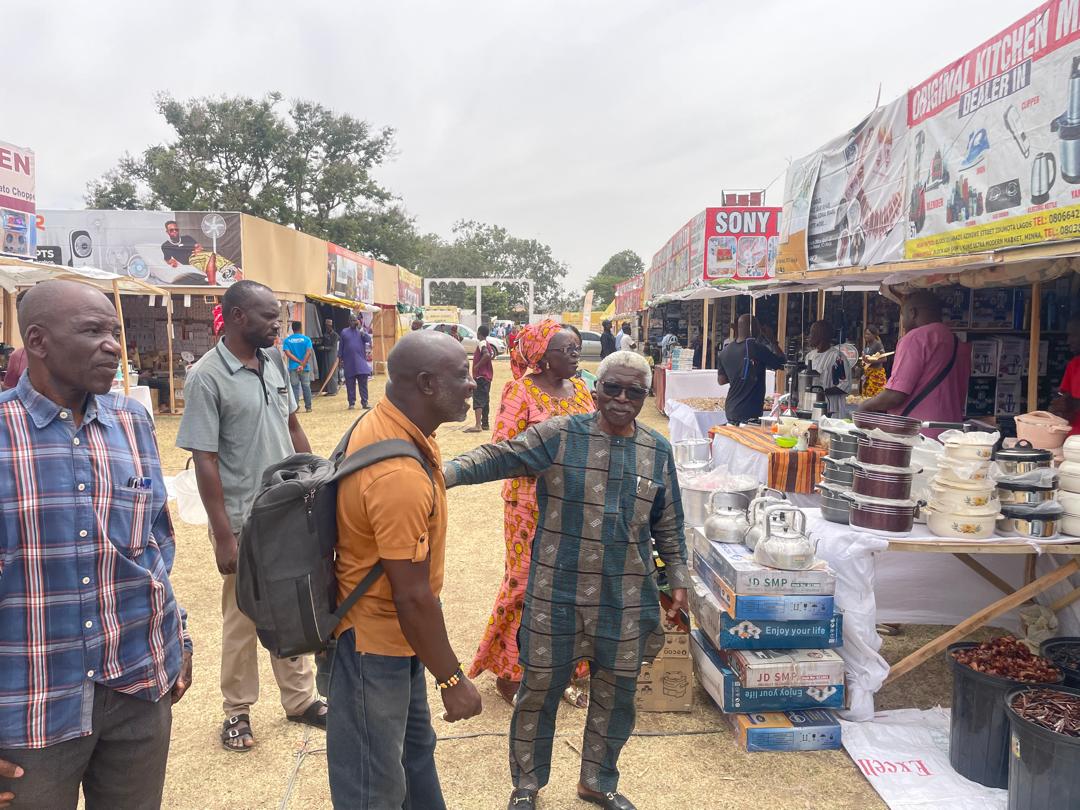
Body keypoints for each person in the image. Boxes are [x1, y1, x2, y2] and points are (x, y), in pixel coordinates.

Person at [444, 350, 690, 810]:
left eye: (633, 391)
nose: (621, 398)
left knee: (616, 696)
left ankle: (598, 782)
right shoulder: (559, 436)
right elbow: (499, 456)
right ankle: (526, 786)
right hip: (555, 594)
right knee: (538, 692)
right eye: (612, 388)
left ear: (645, 396)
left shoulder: (658, 451)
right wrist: (442, 474)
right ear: (595, 389)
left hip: (625, 597)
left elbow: (669, 524)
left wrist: (677, 580)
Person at [0, 280, 192, 808]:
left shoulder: (132, 423)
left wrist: (179, 640)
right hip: (31, 710)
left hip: (137, 688)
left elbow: (154, 546)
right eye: (92, 331)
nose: (114, 345)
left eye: (114, 331)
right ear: (37, 342)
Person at [329, 330, 483, 808]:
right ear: (426, 384)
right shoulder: (398, 476)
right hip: (373, 648)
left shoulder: (392, 427)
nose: (473, 383)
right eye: (462, 375)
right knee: (375, 786)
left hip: (399, 642)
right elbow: (411, 595)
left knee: (415, 756)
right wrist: (453, 679)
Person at [176, 280, 326, 754]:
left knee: (294, 602)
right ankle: (236, 711)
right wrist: (224, 535)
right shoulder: (206, 376)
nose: (276, 324)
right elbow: (205, 460)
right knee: (242, 616)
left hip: (289, 509)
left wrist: (317, 481)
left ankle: (301, 700)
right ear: (238, 317)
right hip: (245, 519)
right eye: (267, 316)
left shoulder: (276, 361)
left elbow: (293, 425)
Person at [471, 320, 595, 709]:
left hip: (575, 506)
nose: (575, 354)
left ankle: (562, 673)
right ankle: (511, 675)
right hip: (530, 508)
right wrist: (553, 464)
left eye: (576, 347)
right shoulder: (519, 392)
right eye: (566, 349)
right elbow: (503, 450)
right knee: (526, 587)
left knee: (570, 590)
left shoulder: (580, 390)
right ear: (541, 357)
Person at [859, 291, 972, 438]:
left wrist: (865, 407)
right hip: (952, 435)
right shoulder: (956, 342)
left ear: (912, 313)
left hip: (918, 436)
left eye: (902, 315)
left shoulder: (915, 338)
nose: (903, 321)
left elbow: (895, 395)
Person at [715, 314, 787, 425]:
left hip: (731, 408)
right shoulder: (755, 348)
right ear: (753, 328)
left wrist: (739, 375)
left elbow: (721, 380)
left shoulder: (725, 351)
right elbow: (782, 363)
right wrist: (773, 341)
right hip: (749, 411)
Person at [803, 320, 852, 418]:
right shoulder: (810, 356)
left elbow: (844, 386)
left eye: (812, 333)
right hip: (811, 406)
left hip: (832, 409)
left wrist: (822, 392)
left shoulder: (837, 357)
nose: (809, 336)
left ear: (821, 336)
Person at [1050, 315, 1080, 435]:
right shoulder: (1074, 365)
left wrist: (1073, 403)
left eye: (1072, 335)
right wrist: (1059, 406)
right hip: (1073, 439)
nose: (1068, 341)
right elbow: (1065, 399)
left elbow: (1071, 402)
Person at [339, 313, 373, 410]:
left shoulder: (361, 332)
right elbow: (341, 346)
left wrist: (361, 330)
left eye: (355, 320)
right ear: (349, 322)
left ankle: (365, 402)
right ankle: (351, 403)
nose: (354, 322)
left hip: (361, 363)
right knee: (350, 384)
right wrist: (340, 358)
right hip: (349, 363)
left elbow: (368, 339)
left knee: (363, 384)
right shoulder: (344, 332)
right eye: (352, 320)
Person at [466, 323, 496, 433]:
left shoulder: (482, 342)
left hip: (481, 376)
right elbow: (490, 355)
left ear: (479, 333)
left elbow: (487, 355)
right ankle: (485, 424)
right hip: (487, 377)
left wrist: (477, 366)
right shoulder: (487, 343)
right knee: (485, 399)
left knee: (478, 399)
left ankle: (478, 425)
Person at [283, 321, 316, 413]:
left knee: (294, 387)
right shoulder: (307, 339)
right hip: (305, 367)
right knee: (306, 386)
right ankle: (308, 407)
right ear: (301, 328)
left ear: (292, 329)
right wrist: (302, 364)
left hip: (293, 367)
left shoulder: (287, 340)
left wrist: (297, 362)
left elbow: (287, 353)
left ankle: (295, 407)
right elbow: (308, 352)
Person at [862, 326, 888, 398]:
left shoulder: (878, 344)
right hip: (868, 373)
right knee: (867, 396)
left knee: (875, 396)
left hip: (877, 374)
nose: (865, 336)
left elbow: (884, 359)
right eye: (865, 334)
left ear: (874, 335)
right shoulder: (868, 344)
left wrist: (871, 361)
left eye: (868, 334)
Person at [320, 317, 340, 396]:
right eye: (326, 326)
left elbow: (333, 346)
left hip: (332, 355)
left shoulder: (335, 335)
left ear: (331, 326)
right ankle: (329, 390)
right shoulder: (325, 334)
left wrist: (324, 348)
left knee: (332, 372)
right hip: (326, 355)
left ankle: (334, 390)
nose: (327, 327)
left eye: (328, 326)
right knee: (327, 372)